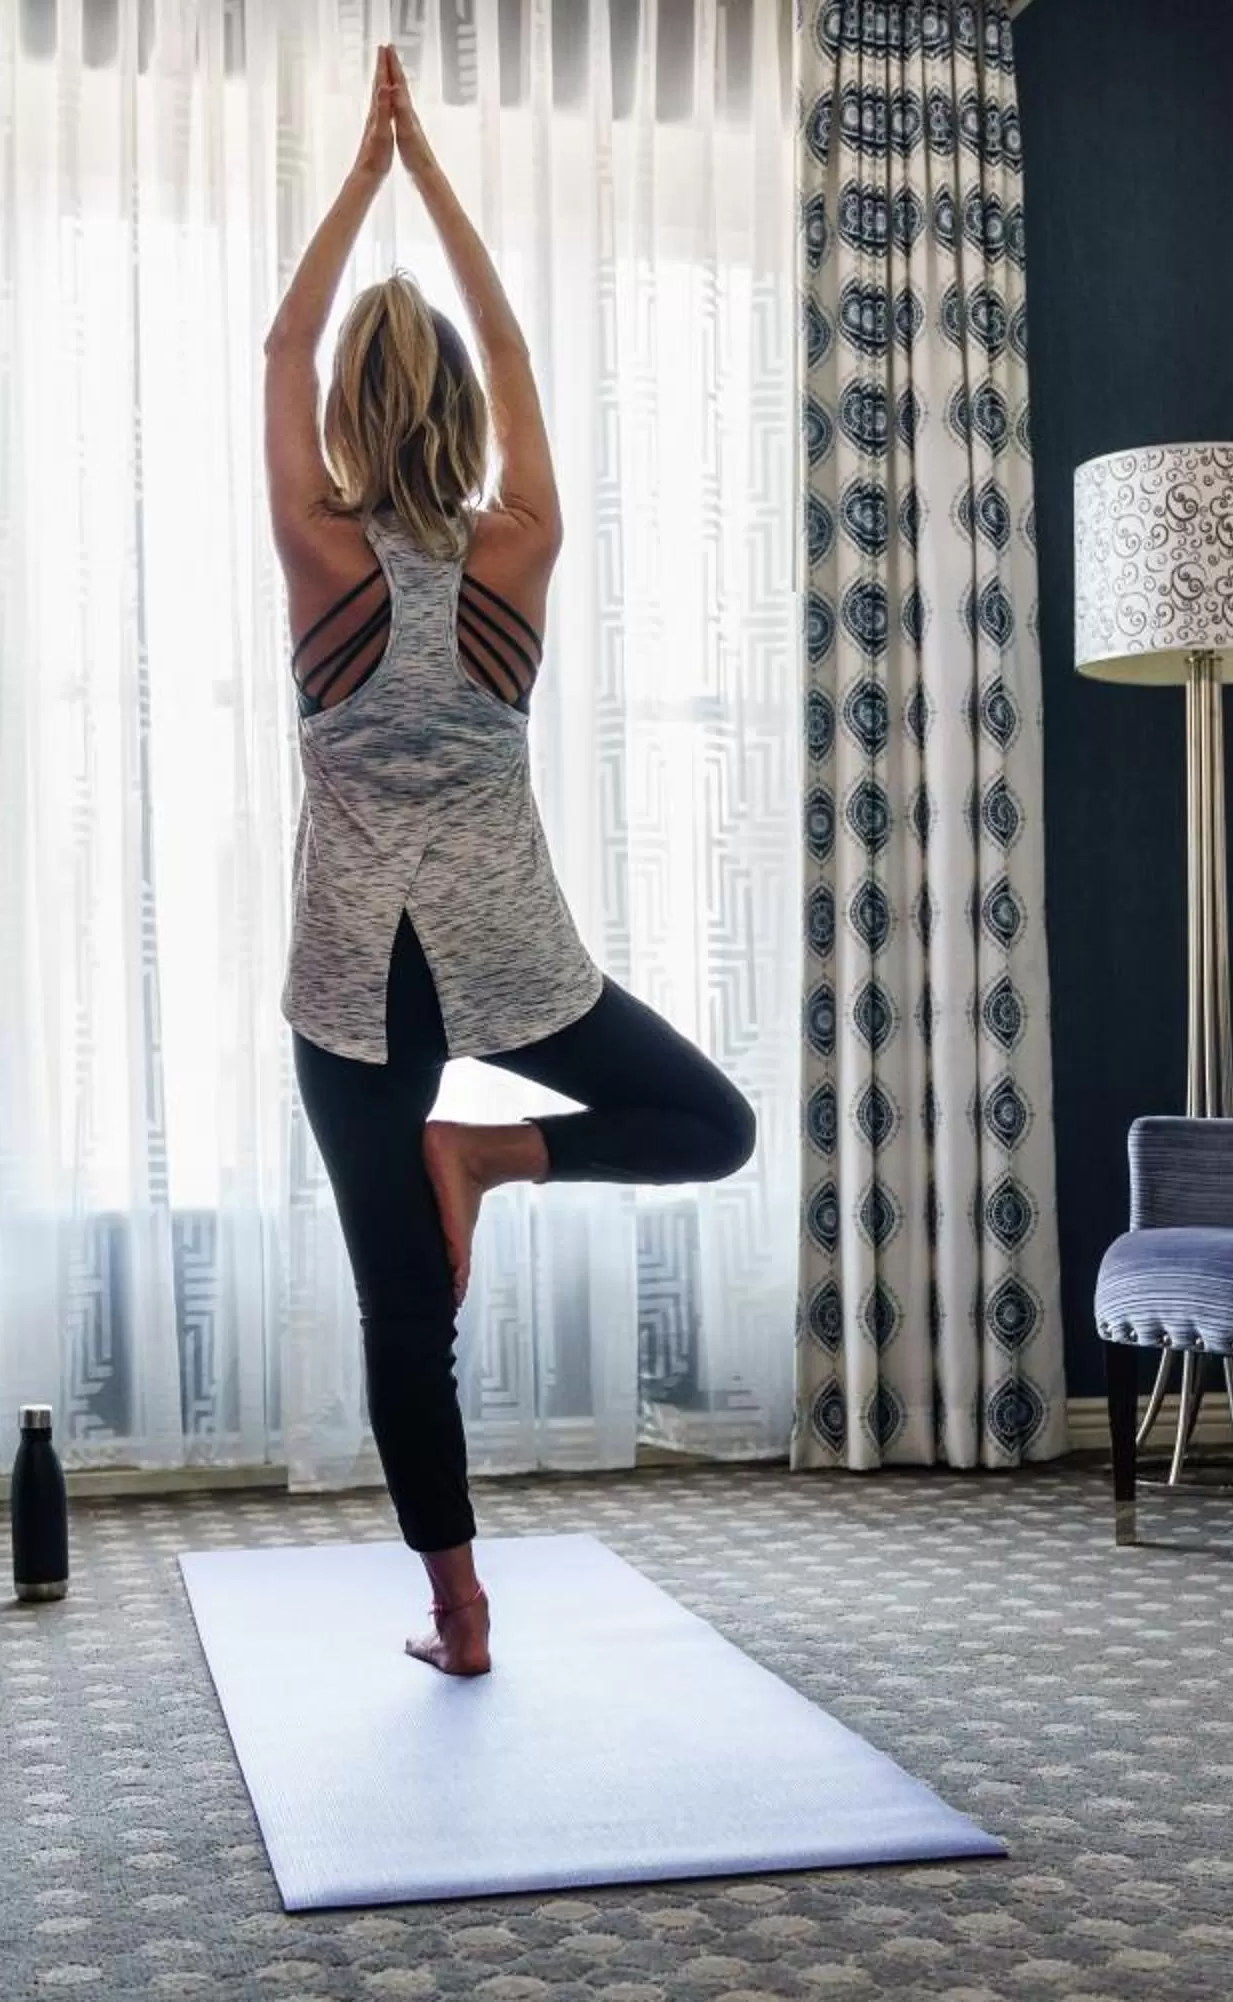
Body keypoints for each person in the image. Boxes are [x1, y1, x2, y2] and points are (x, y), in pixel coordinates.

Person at [264, 50, 756, 1678]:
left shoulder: (316, 549)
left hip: (355, 974)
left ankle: (459, 1611)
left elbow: (280, 339)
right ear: (466, 406)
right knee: (715, 1125)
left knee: (405, 1305)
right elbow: (520, 341)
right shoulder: (520, 548)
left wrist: (363, 175)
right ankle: (496, 1154)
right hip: (505, 949)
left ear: (345, 408)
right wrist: (435, 178)